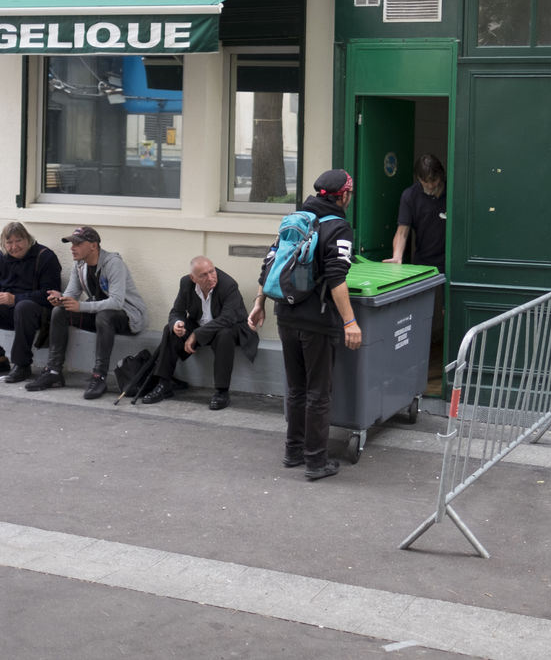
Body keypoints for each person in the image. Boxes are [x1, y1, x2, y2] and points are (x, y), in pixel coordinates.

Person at [248, 169, 362, 481]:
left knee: (296, 388)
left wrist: (259, 303)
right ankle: (315, 461)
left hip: (285, 315)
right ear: (343, 196)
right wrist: (350, 322)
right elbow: (337, 277)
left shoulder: (294, 220)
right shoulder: (338, 227)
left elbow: (270, 262)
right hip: (317, 320)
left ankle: (293, 451)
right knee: (318, 393)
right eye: (349, 194)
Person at [26, 225, 148, 399]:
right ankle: (53, 371)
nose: (72, 248)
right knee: (59, 311)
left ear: (93, 245)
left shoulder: (114, 263)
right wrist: (61, 299)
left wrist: (81, 306)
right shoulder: (79, 264)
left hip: (128, 316)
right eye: (71, 244)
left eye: (78, 244)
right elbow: (72, 293)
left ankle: (99, 377)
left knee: (104, 316)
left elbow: (116, 302)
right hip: (99, 315)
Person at [139, 256, 259, 410]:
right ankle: (164, 383)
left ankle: (222, 392)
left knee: (224, 335)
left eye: (212, 271)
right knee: (169, 330)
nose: (211, 277)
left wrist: (196, 334)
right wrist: (177, 324)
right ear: (193, 278)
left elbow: (227, 319)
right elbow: (177, 311)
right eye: (204, 275)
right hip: (200, 324)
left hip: (231, 327)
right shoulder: (186, 283)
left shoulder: (228, 285)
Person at [0, 221, 63, 383]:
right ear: (3, 244)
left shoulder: (45, 256)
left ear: (28, 239)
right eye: (9, 242)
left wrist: (15, 299)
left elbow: (50, 293)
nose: (14, 247)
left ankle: (22, 364)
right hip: (8, 311)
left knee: (23, 306)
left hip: (36, 313)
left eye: (19, 241)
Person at [384, 153, 446, 272]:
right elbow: (402, 232)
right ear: (418, 178)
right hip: (423, 263)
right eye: (425, 181)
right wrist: (397, 256)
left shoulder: (452, 193)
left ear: (441, 175)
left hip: (450, 263)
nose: (430, 185)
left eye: (434, 180)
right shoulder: (410, 196)